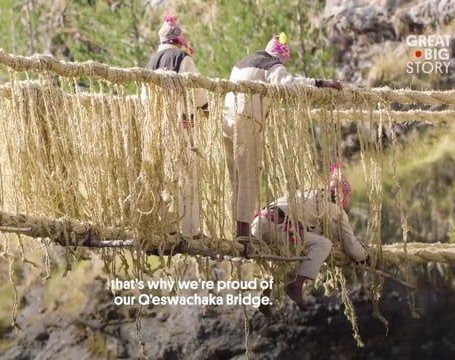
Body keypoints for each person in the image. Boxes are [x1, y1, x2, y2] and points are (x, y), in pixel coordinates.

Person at [223, 33, 342, 239]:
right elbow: (289, 85)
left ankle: (235, 230)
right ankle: (243, 235)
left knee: (235, 180)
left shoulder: (241, 63)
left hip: (226, 122)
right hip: (247, 123)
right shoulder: (272, 65)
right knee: (248, 179)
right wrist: (320, 84)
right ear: (281, 58)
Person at [251, 163, 369, 311]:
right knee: (323, 244)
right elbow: (351, 245)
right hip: (277, 228)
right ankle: (296, 285)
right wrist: (365, 257)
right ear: (340, 195)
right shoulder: (334, 210)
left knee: (290, 249)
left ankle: (265, 293)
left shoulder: (308, 195)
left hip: (259, 226)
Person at [144, 15, 209, 239]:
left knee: (165, 176)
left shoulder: (151, 62)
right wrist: (205, 108)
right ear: (178, 39)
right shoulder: (182, 58)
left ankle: (167, 226)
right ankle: (190, 230)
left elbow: (145, 97)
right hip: (182, 124)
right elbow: (197, 89)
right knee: (187, 176)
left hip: (157, 126)